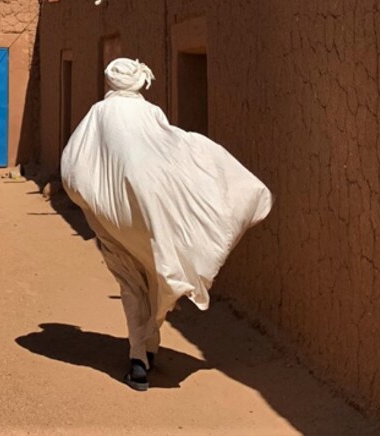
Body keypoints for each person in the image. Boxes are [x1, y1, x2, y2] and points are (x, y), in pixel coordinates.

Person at [59, 57, 273, 391]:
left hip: (117, 218)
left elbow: (73, 165)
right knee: (158, 275)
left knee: (131, 282)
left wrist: (94, 201)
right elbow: (168, 149)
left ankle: (138, 357)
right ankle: (149, 345)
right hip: (154, 212)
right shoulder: (151, 112)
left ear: (111, 82)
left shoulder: (99, 113)